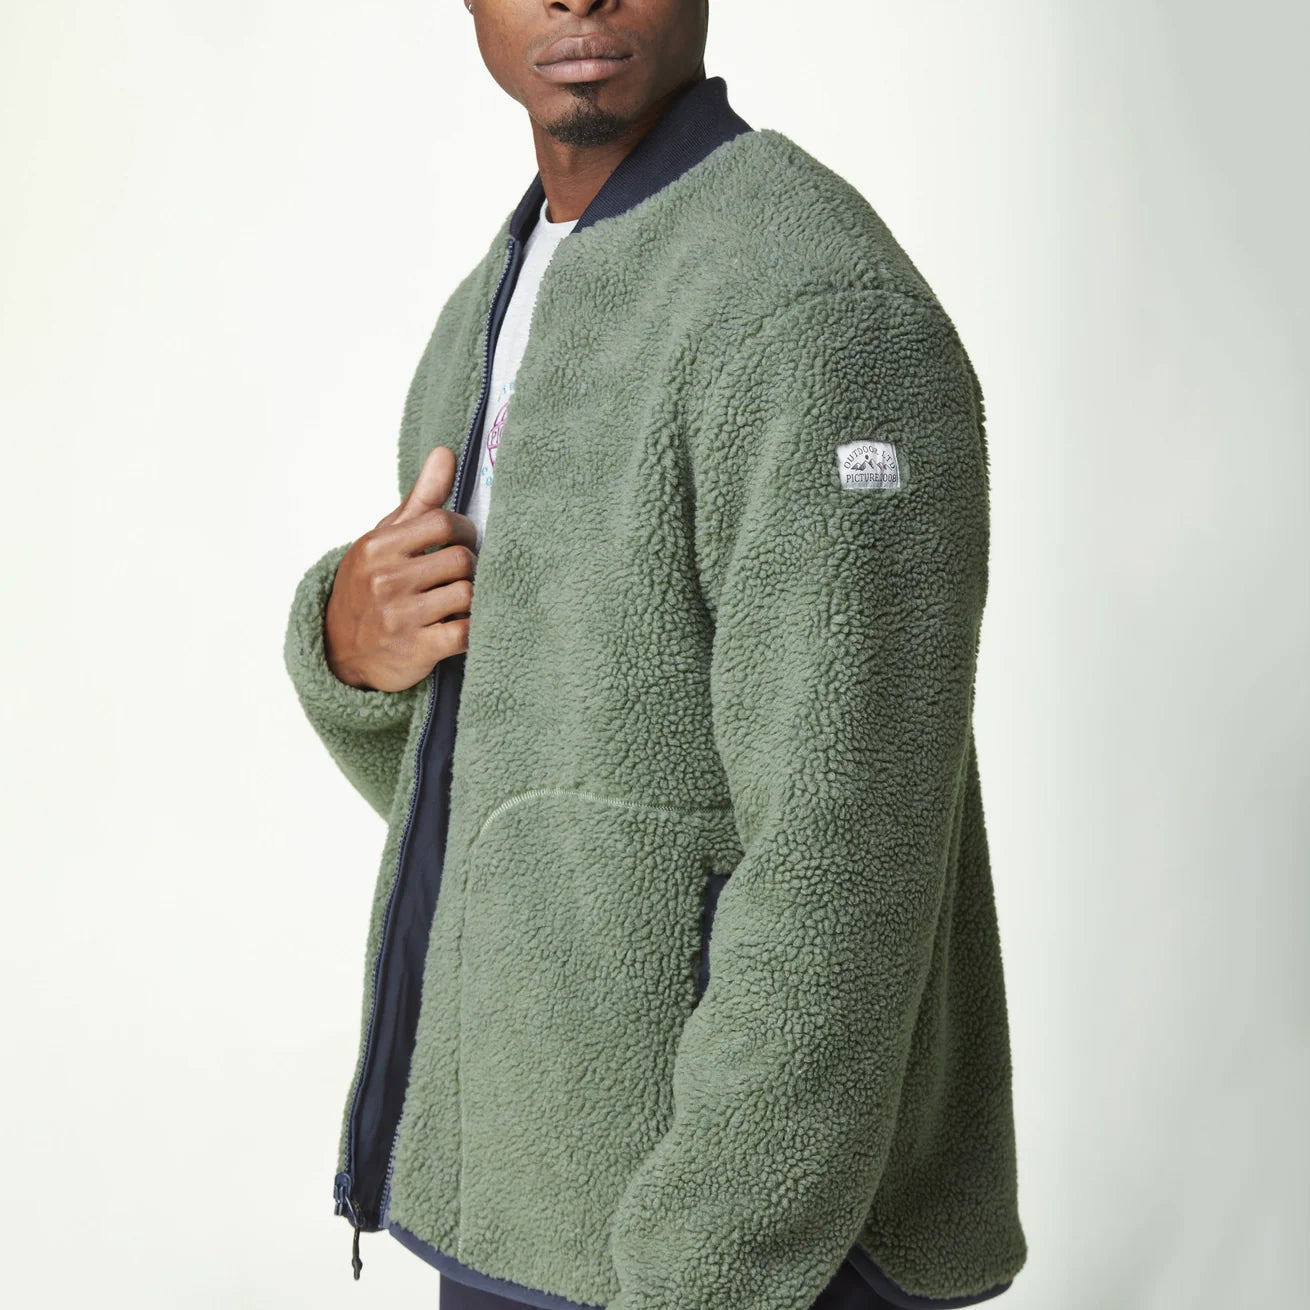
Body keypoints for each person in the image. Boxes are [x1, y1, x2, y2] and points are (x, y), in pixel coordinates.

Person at [282, 2, 1028, 1308]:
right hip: (528, 1207)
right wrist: (348, 653)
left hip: (740, 1249)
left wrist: (703, 1268)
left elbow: (846, 859)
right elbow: (515, 796)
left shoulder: (815, 313)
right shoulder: (498, 301)